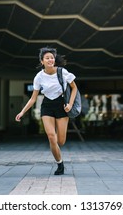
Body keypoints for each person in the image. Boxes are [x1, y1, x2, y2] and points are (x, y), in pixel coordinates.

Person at [15, 47, 78, 175]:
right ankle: (60, 164)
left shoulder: (62, 72)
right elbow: (33, 99)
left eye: (52, 57)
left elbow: (74, 88)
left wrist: (70, 104)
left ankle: (58, 152)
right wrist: (22, 112)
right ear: (42, 61)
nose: (50, 59)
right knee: (51, 137)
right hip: (47, 106)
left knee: (61, 141)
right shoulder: (39, 77)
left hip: (62, 105)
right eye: (47, 58)